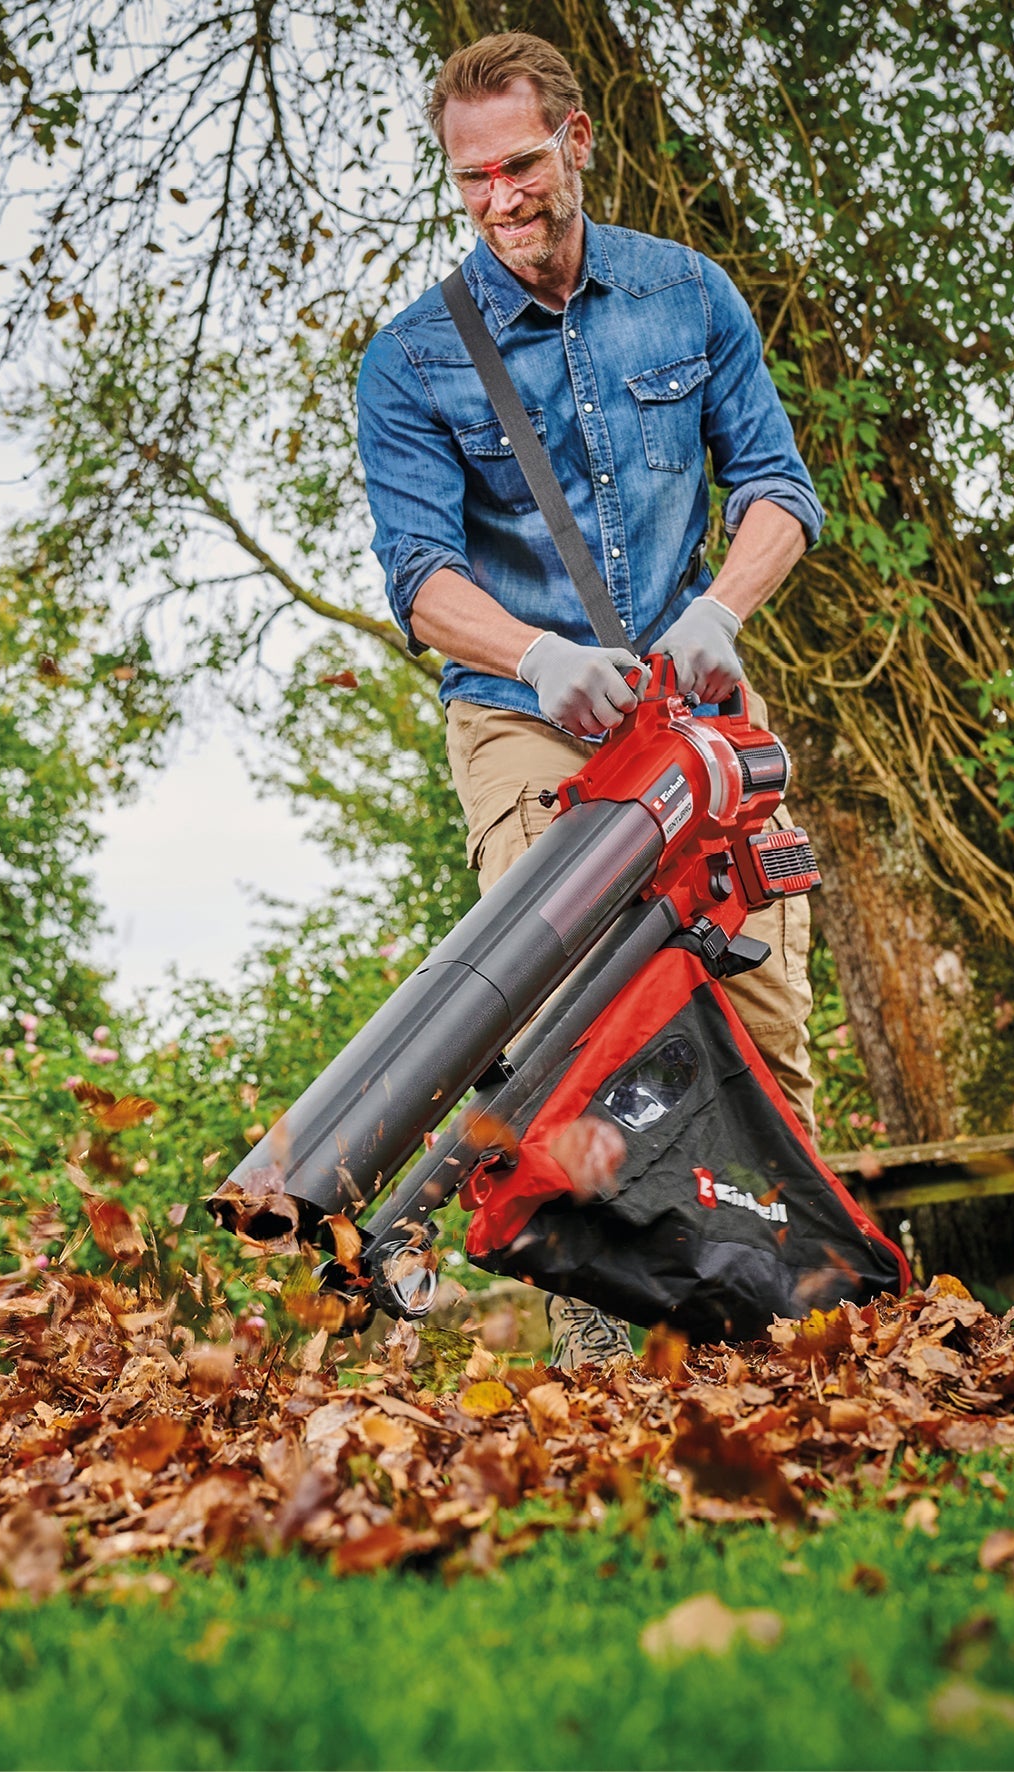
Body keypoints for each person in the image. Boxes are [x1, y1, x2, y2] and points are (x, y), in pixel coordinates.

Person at [355, 32, 823, 1370]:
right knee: (576, 1014)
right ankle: (605, 1355)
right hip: (525, 715)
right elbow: (422, 581)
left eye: (518, 164)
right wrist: (540, 658)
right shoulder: (412, 362)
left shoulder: (686, 295)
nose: (498, 198)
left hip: (695, 688)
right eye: (469, 178)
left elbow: (779, 492)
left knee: (761, 1006)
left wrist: (722, 607)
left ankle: (787, 1329)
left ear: (575, 142)